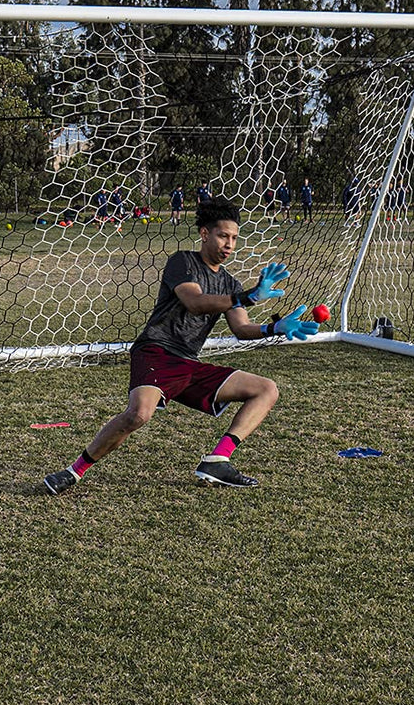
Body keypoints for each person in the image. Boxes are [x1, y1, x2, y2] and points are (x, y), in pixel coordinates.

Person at [43, 197, 320, 495]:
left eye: (234, 238)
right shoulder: (183, 262)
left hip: (188, 363)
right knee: (139, 414)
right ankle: (74, 472)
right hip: (157, 352)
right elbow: (195, 302)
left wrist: (273, 328)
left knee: (266, 389)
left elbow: (241, 328)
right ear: (204, 234)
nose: (229, 244)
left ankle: (217, 459)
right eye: (223, 236)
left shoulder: (230, 284)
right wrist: (247, 297)